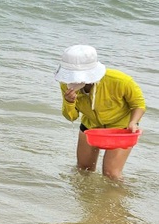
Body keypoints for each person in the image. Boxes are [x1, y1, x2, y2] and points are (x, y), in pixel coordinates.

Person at [54, 44, 145, 180]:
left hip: (120, 129)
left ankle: (118, 200)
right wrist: (69, 102)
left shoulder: (120, 80)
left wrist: (133, 122)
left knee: (111, 174)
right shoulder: (66, 84)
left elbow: (139, 104)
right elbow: (71, 117)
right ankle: (87, 200)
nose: (72, 80)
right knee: (83, 170)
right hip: (90, 128)